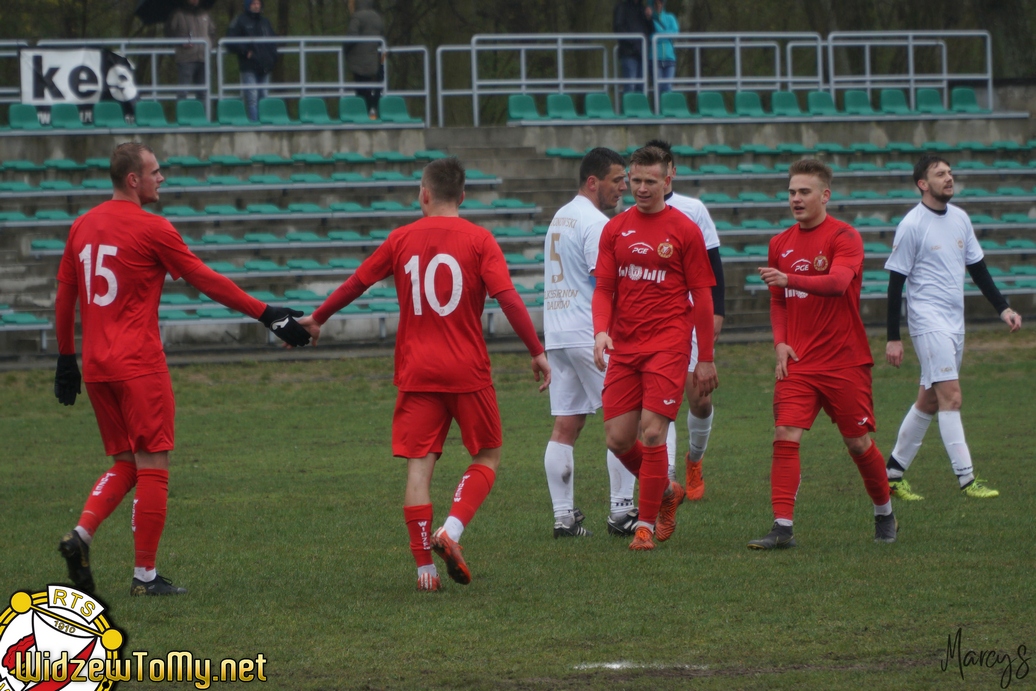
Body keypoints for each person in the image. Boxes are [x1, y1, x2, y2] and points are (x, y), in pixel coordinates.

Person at [54, 142, 310, 597]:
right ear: (133, 179)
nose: (162, 178)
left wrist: (64, 358)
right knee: (154, 464)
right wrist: (266, 313)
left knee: (125, 463)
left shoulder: (81, 225)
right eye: (155, 171)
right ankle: (145, 577)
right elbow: (204, 279)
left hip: (95, 366)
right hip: (139, 363)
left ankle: (81, 535)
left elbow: (65, 295)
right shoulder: (153, 227)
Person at [298, 158, 551, 592]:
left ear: (424, 194)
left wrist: (318, 317)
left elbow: (357, 282)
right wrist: (536, 351)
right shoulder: (480, 239)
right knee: (487, 456)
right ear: (463, 196)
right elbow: (508, 298)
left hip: (416, 370)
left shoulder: (401, 238)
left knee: (419, 468)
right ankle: (450, 530)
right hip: (466, 369)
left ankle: (425, 572)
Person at [750, 159, 896, 550]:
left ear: (825, 195)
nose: (796, 199)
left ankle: (884, 512)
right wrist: (780, 343)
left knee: (857, 442)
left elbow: (837, 282)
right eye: (791, 192)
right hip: (798, 361)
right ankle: (782, 527)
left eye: (805, 192)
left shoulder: (845, 236)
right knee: (785, 433)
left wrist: (790, 278)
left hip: (844, 360)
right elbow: (778, 301)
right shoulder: (779, 243)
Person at [592, 145, 718, 551]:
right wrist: (600, 332)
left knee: (651, 432)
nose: (641, 188)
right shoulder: (615, 229)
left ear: (668, 180)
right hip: (625, 345)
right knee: (617, 439)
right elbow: (604, 289)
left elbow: (703, 296)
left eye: (650, 181)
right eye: (635, 180)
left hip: (668, 344)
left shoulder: (685, 229)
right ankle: (666, 491)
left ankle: (644, 527)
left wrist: (706, 358)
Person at [884, 155, 1022, 500]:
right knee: (952, 397)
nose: (949, 178)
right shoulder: (912, 224)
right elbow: (895, 284)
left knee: (929, 401)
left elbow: (978, 269)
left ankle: (892, 475)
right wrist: (893, 338)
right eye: (940, 174)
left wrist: (1003, 308)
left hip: (954, 324)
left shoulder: (960, 218)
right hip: (927, 323)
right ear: (922, 184)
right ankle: (967, 479)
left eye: (949, 172)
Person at [541, 147, 632, 539]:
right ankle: (622, 511)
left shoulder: (561, 216)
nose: (624, 188)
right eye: (617, 180)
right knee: (624, 420)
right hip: (589, 334)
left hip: (558, 334)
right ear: (593, 182)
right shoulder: (596, 223)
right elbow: (604, 282)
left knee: (567, 424)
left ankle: (563, 517)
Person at [646, 139, 725, 502]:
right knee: (663, 400)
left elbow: (714, 265)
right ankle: (668, 476)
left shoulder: (693, 209)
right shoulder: (630, 216)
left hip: (692, 316)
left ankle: (695, 459)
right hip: (652, 322)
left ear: (671, 173)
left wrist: (717, 312)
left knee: (700, 401)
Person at [227, 0, 278, 121]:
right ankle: (254, 125)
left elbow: (273, 41)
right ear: (247, 5)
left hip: (265, 65)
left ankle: (264, 123)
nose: (256, 6)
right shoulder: (240, 21)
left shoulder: (265, 22)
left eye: (258, 3)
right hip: (249, 65)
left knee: (264, 96)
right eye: (253, 3)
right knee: (252, 97)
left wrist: (272, 57)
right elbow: (230, 41)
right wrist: (245, 52)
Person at [165, 0, 216, 100]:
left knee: (203, 93)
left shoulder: (204, 13)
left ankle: (203, 111)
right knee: (183, 92)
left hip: (204, 58)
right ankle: (181, 110)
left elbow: (212, 31)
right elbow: (169, 33)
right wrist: (182, 42)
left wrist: (209, 45)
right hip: (186, 58)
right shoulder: (177, 14)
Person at [346, 0, 385, 118]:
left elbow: (351, 37)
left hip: (359, 63)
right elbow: (382, 39)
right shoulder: (377, 17)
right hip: (375, 62)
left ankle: (363, 115)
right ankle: (373, 113)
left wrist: (345, 50)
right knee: (374, 91)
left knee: (361, 91)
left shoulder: (357, 17)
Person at [613, 0, 653, 93]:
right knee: (630, 86)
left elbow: (650, 30)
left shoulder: (643, 9)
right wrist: (633, 42)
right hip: (629, 53)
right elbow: (618, 28)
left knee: (642, 87)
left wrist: (649, 18)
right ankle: (628, 103)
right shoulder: (622, 7)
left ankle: (640, 103)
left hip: (642, 53)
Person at [651, 0, 679, 94]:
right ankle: (658, 104)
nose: (658, 5)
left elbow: (675, 33)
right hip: (655, 58)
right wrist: (666, 35)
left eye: (660, 3)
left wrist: (659, 35)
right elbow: (650, 36)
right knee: (658, 87)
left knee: (668, 86)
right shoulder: (650, 20)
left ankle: (667, 104)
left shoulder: (670, 18)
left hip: (669, 57)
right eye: (656, 3)